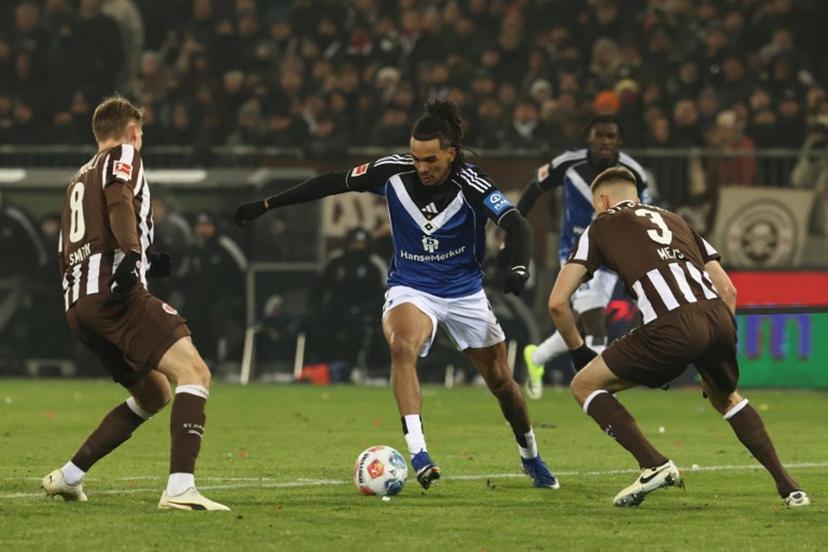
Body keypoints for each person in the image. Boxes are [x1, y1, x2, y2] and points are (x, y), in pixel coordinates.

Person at [235, 99, 559, 490]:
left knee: (502, 383)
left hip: (464, 294)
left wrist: (519, 266)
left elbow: (517, 223)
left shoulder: (472, 183)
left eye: (431, 160)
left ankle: (530, 455)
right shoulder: (391, 171)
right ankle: (419, 453)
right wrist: (267, 204)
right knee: (403, 346)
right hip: (412, 287)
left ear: (451, 154)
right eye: (416, 158)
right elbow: (332, 182)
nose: (421, 167)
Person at [547, 166, 810, 508]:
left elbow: (557, 303)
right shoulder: (675, 220)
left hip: (671, 325)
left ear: (603, 201)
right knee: (726, 398)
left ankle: (653, 464)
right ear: (636, 196)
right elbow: (728, 290)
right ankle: (789, 487)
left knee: (583, 385)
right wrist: (717, 344)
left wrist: (578, 351)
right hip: (718, 317)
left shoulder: (600, 225)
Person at [41, 95, 229, 511]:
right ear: (131, 131)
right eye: (140, 133)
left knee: (153, 394)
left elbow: (73, 245)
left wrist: (143, 258)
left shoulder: (77, 179)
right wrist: (130, 252)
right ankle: (180, 489)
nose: (139, 140)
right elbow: (119, 197)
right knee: (194, 371)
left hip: (80, 305)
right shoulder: (123, 154)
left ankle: (69, 476)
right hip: (114, 296)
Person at [516, 113, 651, 399]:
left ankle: (537, 356)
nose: (605, 141)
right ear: (589, 138)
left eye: (611, 136)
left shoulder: (633, 172)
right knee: (594, 320)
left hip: (612, 255)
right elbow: (535, 187)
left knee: (578, 321)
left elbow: (646, 211)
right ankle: (600, 388)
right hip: (575, 251)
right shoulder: (569, 163)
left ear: (619, 140)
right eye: (599, 135)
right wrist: (514, 225)